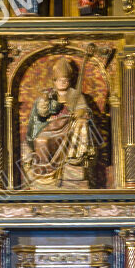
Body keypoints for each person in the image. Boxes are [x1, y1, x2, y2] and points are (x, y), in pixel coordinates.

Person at [24, 56, 96, 186]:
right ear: (54, 81)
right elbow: (41, 113)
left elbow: (84, 111)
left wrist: (77, 114)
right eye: (60, 80)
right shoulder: (50, 94)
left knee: (81, 124)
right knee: (41, 140)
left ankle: (71, 163)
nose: (63, 83)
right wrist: (44, 100)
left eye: (66, 80)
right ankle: (43, 173)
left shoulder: (75, 94)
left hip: (69, 128)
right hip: (51, 127)